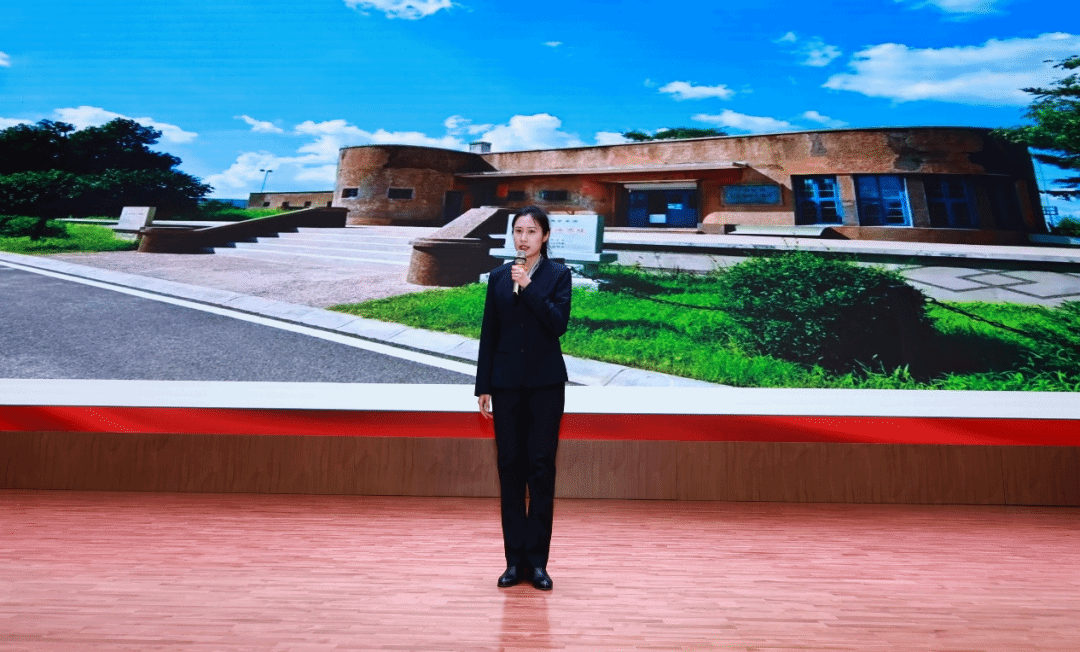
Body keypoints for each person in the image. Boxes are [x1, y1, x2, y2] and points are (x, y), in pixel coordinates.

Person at [476, 206, 572, 591]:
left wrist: (529, 287)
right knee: (510, 469)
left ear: (544, 236)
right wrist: (483, 385)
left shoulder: (558, 275)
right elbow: (490, 332)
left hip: (545, 384)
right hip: (506, 385)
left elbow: (557, 324)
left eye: (531, 231)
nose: (523, 238)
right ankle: (513, 562)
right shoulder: (499, 276)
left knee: (540, 469)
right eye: (518, 231)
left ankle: (538, 564)